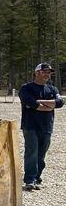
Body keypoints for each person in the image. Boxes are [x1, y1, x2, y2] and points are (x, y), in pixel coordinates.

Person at [19, 63, 63, 191]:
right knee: (31, 153)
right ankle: (30, 180)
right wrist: (50, 105)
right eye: (44, 72)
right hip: (30, 126)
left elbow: (60, 102)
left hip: (47, 126)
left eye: (49, 73)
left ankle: (37, 179)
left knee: (41, 154)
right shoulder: (26, 88)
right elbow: (31, 103)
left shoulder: (53, 89)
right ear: (37, 72)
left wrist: (40, 102)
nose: (47, 75)